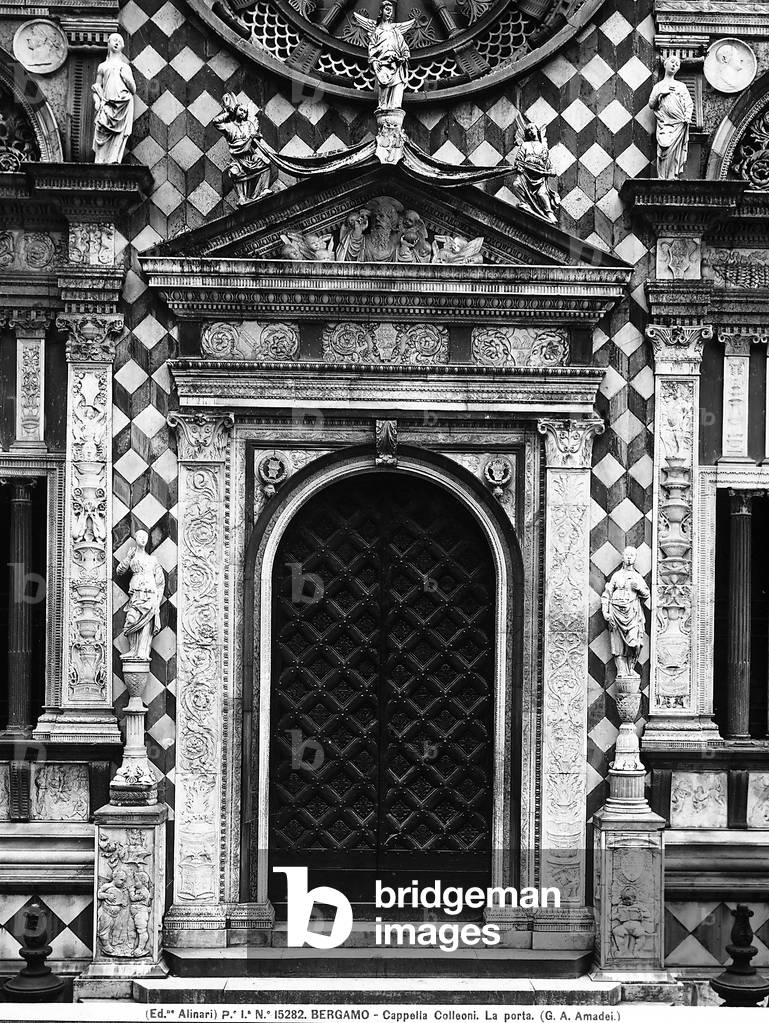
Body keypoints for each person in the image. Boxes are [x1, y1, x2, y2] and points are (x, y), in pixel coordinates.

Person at [353, 0, 415, 111]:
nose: (389, 12)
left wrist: (402, 58)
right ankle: (384, 111)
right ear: (381, 11)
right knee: (383, 99)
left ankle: (394, 114)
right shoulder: (376, 31)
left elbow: (404, 48)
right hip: (383, 66)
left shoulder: (396, 31)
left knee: (396, 102)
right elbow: (372, 48)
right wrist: (374, 61)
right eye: (387, 9)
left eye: (391, 10)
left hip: (396, 65)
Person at [601, 546, 651, 677]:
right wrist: (605, 612)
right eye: (627, 555)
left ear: (635, 558)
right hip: (616, 612)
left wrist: (639, 588)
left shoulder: (637, 577)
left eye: (632, 555)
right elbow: (607, 594)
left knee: (635, 643)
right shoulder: (616, 576)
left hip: (632, 613)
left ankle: (631, 668)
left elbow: (646, 594)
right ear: (622, 557)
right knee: (618, 645)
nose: (629, 557)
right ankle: (622, 671)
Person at [116, 530, 164, 660]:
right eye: (140, 537)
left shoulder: (152, 559)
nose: (143, 539)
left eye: (146, 537)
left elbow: (160, 582)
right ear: (135, 538)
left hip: (150, 593)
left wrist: (158, 602)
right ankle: (133, 650)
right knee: (132, 619)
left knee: (147, 621)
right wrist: (128, 557)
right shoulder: (132, 557)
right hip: (136, 594)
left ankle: (142, 651)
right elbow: (119, 571)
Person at [92, 34, 136, 165]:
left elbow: (133, 89)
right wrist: (97, 101)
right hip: (107, 104)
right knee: (101, 128)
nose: (116, 43)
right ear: (108, 43)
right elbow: (96, 87)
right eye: (114, 40)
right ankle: (99, 160)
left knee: (118, 135)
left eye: (119, 41)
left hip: (123, 103)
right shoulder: (102, 66)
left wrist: (126, 77)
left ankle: (113, 159)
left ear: (122, 46)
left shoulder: (125, 67)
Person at [648, 55, 693, 180]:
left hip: (679, 123)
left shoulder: (681, 86)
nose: (674, 65)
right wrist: (661, 93)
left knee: (674, 152)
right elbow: (651, 104)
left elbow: (688, 103)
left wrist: (687, 116)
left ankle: (672, 175)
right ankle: (662, 176)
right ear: (665, 64)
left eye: (677, 64)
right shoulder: (658, 86)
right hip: (665, 123)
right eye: (672, 62)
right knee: (664, 147)